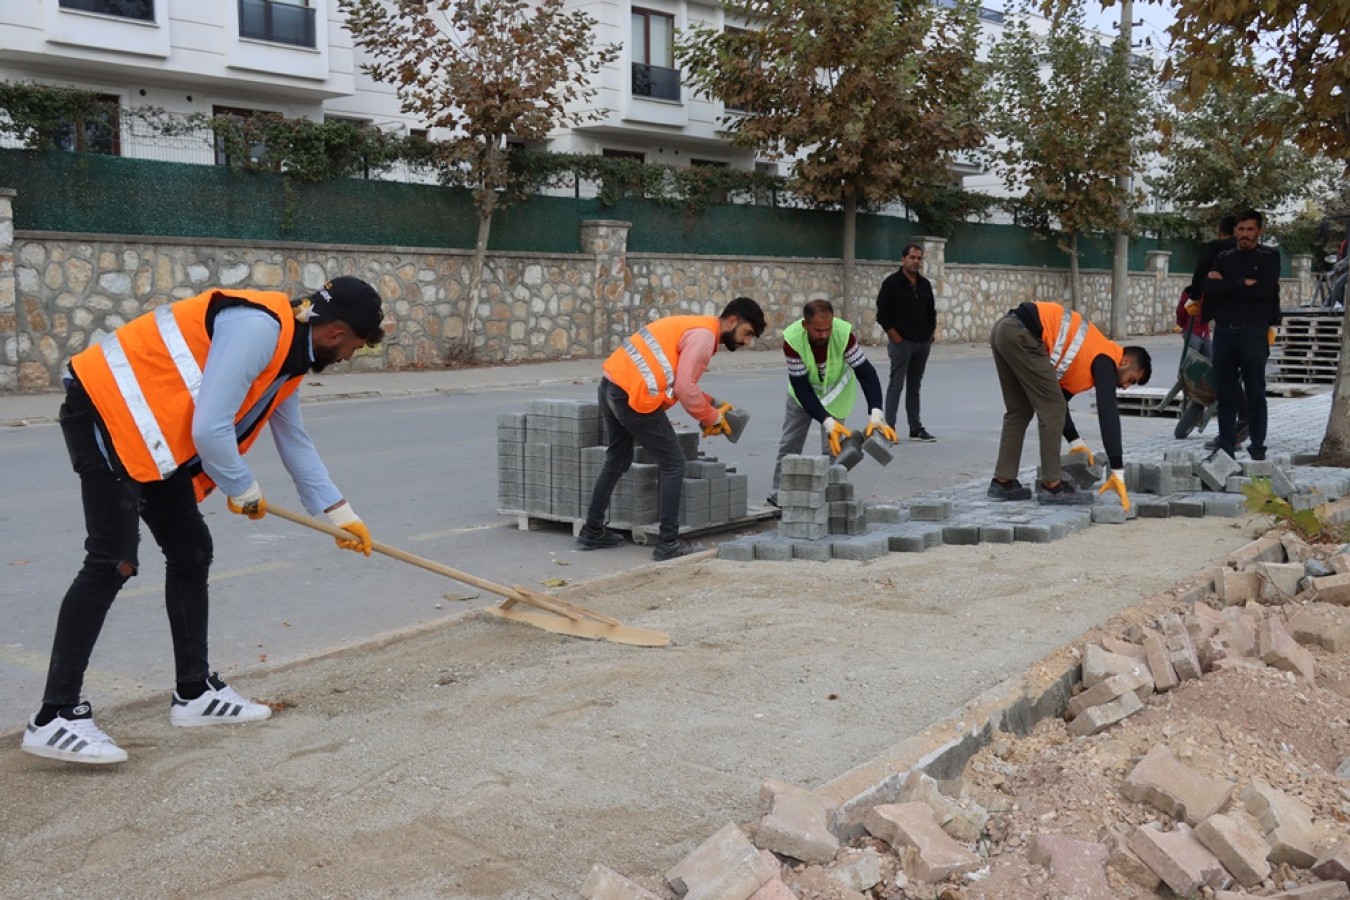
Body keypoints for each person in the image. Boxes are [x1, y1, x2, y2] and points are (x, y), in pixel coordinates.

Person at [22, 277, 385, 765]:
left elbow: (293, 439)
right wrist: (242, 487)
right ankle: (55, 716)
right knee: (112, 559)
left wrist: (341, 513)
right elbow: (210, 426)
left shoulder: (290, 358)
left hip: (148, 433)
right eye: (357, 348)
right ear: (338, 333)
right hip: (103, 411)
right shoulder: (260, 328)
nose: (349, 358)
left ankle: (194, 694)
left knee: (192, 549)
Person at [578, 297, 766, 561]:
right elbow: (684, 389)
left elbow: (681, 381)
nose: (747, 341)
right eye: (747, 333)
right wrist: (711, 417)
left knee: (617, 458)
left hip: (612, 385)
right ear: (732, 321)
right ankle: (668, 542)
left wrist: (709, 408)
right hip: (634, 397)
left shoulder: (695, 327)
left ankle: (592, 530)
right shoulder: (703, 338)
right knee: (674, 463)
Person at [987, 301, 1152, 508]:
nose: (1126, 387)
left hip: (1005, 330)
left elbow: (1060, 401)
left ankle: (1003, 481)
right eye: (1131, 380)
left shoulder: (1086, 360)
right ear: (1125, 361)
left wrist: (1075, 442)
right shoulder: (1106, 359)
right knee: (1049, 411)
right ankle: (1052, 487)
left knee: (1020, 410)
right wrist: (1117, 470)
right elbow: (1107, 412)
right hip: (1024, 335)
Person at [767, 299, 897, 506]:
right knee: (790, 443)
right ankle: (779, 492)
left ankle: (828, 494)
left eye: (828, 328)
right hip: (803, 396)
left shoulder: (843, 334)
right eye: (818, 330)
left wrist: (876, 412)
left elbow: (866, 372)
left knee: (833, 448)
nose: (825, 335)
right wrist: (826, 421)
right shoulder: (792, 340)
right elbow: (801, 387)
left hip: (836, 393)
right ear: (805, 325)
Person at [1203, 208, 1281, 461]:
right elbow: (1210, 289)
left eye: (1250, 229)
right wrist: (1241, 283)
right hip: (1225, 332)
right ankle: (1226, 449)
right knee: (1226, 395)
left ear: (1259, 231)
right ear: (1235, 231)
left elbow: (1264, 291)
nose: (1244, 234)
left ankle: (1257, 448)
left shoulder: (1269, 257)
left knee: (1256, 392)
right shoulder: (1224, 256)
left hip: (1254, 332)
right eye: (1241, 229)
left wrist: (1227, 285)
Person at [875, 242, 937, 441]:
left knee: (914, 386)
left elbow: (931, 312)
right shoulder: (892, 283)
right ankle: (889, 428)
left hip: (922, 343)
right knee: (896, 385)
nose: (915, 262)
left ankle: (916, 428)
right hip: (902, 343)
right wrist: (895, 336)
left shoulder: (925, 284)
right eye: (912, 257)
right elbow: (882, 313)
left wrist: (930, 333)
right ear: (903, 259)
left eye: (919, 258)